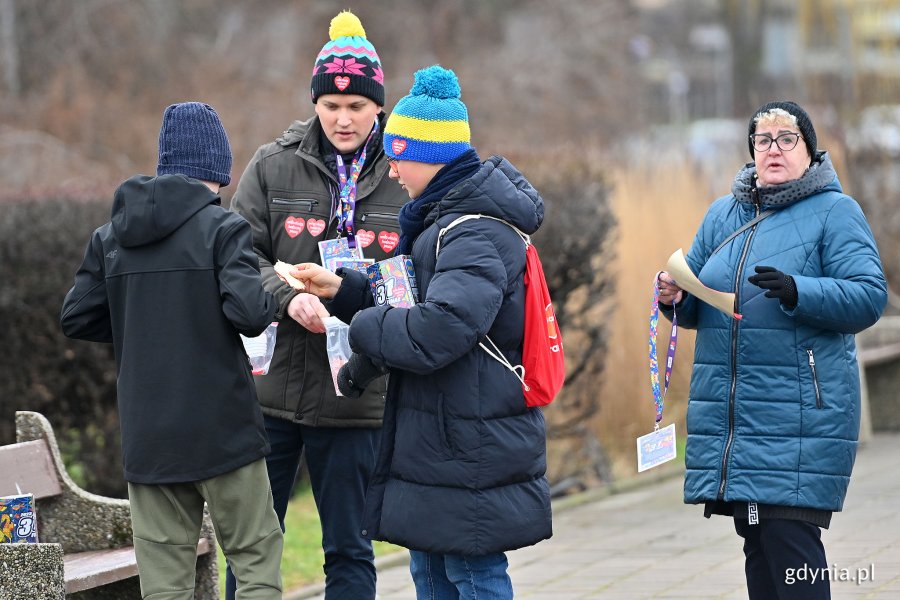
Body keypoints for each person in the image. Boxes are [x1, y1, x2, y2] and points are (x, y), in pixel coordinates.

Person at [290, 65, 553, 600]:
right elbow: (418, 303)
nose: (391, 173)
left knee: (472, 575)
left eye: (397, 156)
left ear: (427, 157)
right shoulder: (446, 223)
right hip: (442, 434)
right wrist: (344, 291)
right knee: (431, 574)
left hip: (467, 438)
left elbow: (440, 329)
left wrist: (362, 327)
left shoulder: (473, 232)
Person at [657, 101, 887, 600]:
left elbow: (869, 296)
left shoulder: (835, 211)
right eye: (764, 140)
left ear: (808, 150)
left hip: (799, 413)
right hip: (737, 419)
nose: (774, 149)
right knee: (758, 544)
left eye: (787, 139)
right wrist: (673, 299)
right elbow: (696, 299)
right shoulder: (723, 213)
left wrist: (799, 291)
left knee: (791, 544)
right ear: (751, 151)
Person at [60, 102, 284, 600]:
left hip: (150, 436)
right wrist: (275, 288)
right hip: (223, 430)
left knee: (164, 582)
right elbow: (250, 314)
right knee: (254, 557)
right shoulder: (224, 230)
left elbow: (76, 316)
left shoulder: (111, 236)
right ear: (216, 171)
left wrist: (143, 322)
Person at [227, 10, 407, 599]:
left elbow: (416, 280)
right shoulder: (273, 164)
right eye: (331, 105)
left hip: (357, 396)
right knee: (253, 548)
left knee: (350, 552)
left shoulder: (405, 174)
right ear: (315, 104)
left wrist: (355, 298)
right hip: (270, 392)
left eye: (357, 106)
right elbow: (233, 256)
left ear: (378, 105)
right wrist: (285, 298)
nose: (343, 118)